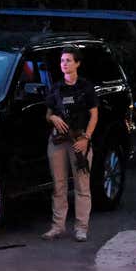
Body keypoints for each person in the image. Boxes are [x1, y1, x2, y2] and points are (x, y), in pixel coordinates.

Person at [42, 47, 98, 242]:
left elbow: (94, 114)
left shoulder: (85, 87)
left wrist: (86, 138)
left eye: (68, 60)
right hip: (58, 141)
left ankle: (81, 228)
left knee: (82, 186)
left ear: (77, 63)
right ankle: (57, 227)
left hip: (79, 140)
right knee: (59, 186)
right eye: (62, 61)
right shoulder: (56, 88)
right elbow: (48, 114)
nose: (64, 64)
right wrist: (54, 118)